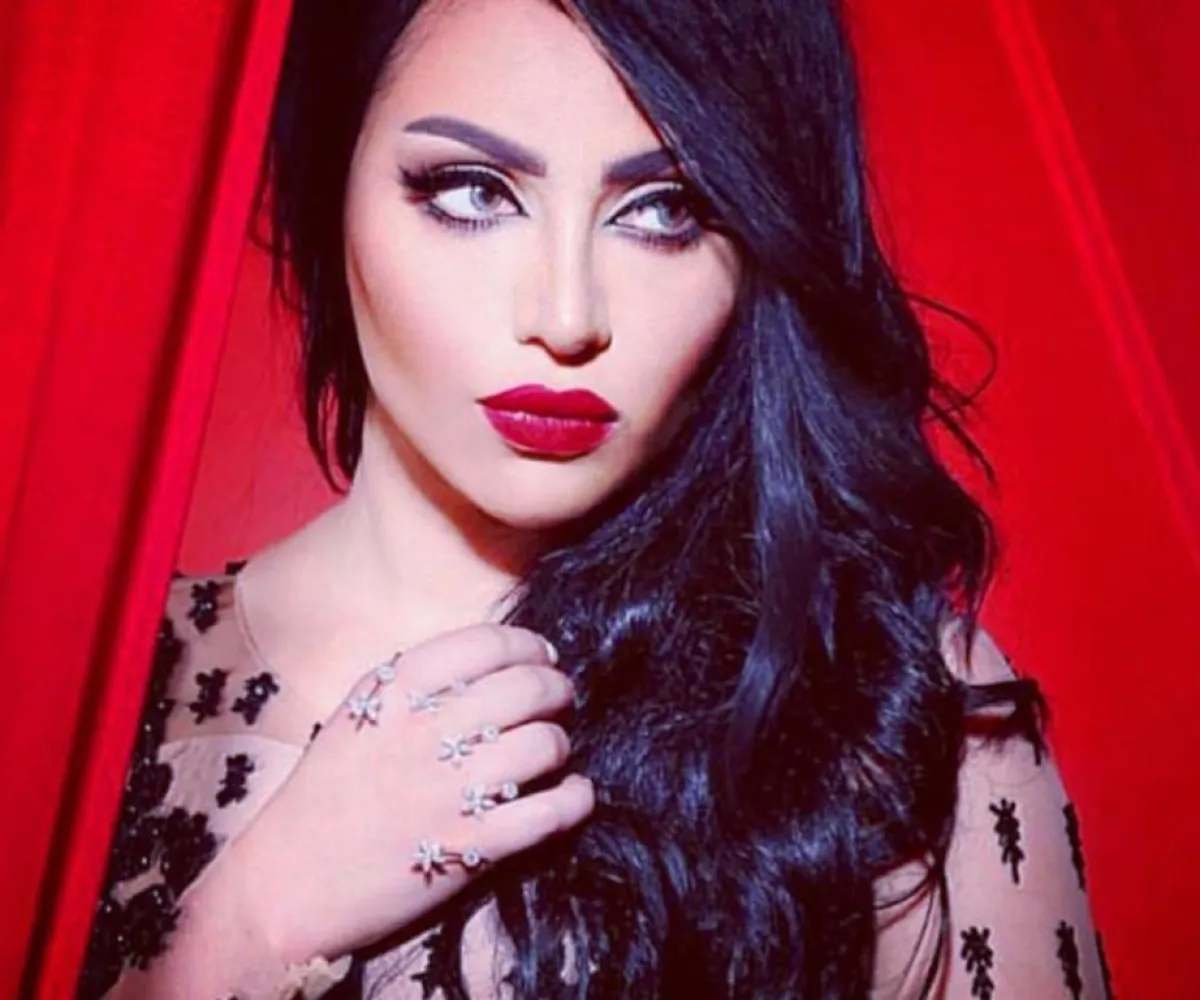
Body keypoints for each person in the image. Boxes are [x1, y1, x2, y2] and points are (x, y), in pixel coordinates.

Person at [77, 0, 1109, 997]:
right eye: (472, 191)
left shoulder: (891, 705)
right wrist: (247, 932)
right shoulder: (95, 690)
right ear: (328, 179)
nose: (568, 316)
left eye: (663, 211)